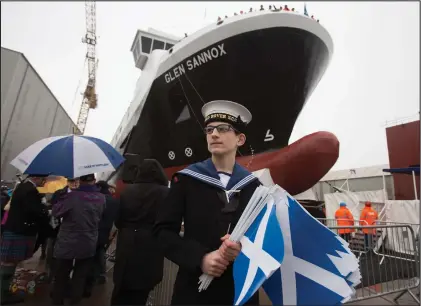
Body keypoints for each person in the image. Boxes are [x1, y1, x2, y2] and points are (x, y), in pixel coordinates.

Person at [153, 100, 261, 305]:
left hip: (239, 292)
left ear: (240, 139)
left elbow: (263, 238)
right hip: (194, 292)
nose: (214, 134)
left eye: (223, 129)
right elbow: (163, 232)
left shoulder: (254, 187)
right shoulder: (186, 180)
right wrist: (200, 258)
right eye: (209, 129)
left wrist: (243, 249)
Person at [111, 159, 169, 306]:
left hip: (127, 241)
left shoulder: (127, 191)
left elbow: (118, 220)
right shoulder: (165, 193)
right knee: (141, 293)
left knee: (120, 290)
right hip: (150, 244)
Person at [51, 174, 105, 305]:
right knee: (80, 277)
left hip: (67, 241)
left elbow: (56, 212)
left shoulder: (72, 196)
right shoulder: (101, 198)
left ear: (80, 181)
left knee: (61, 275)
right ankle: (75, 302)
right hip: (88, 241)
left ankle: (57, 302)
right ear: (94, 181)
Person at [0, 174, 49, 305]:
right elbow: (33, 211)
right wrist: (44, 209)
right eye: (44, 179)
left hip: (14, 229)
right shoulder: (30, 191)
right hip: (20, 231)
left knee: (9, 262)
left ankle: (4, 291)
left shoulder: (22, 187)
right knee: (9, 262)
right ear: (37, 178)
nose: (45, 182)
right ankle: (3, 294)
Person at [84, 180, 120, 294]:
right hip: (106, 231)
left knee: (92, 254)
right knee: (101, 252)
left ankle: (91, 276)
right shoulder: (114, 201)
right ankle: (101, 274)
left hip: (94, 230)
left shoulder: (97, 199)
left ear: (99, 187)